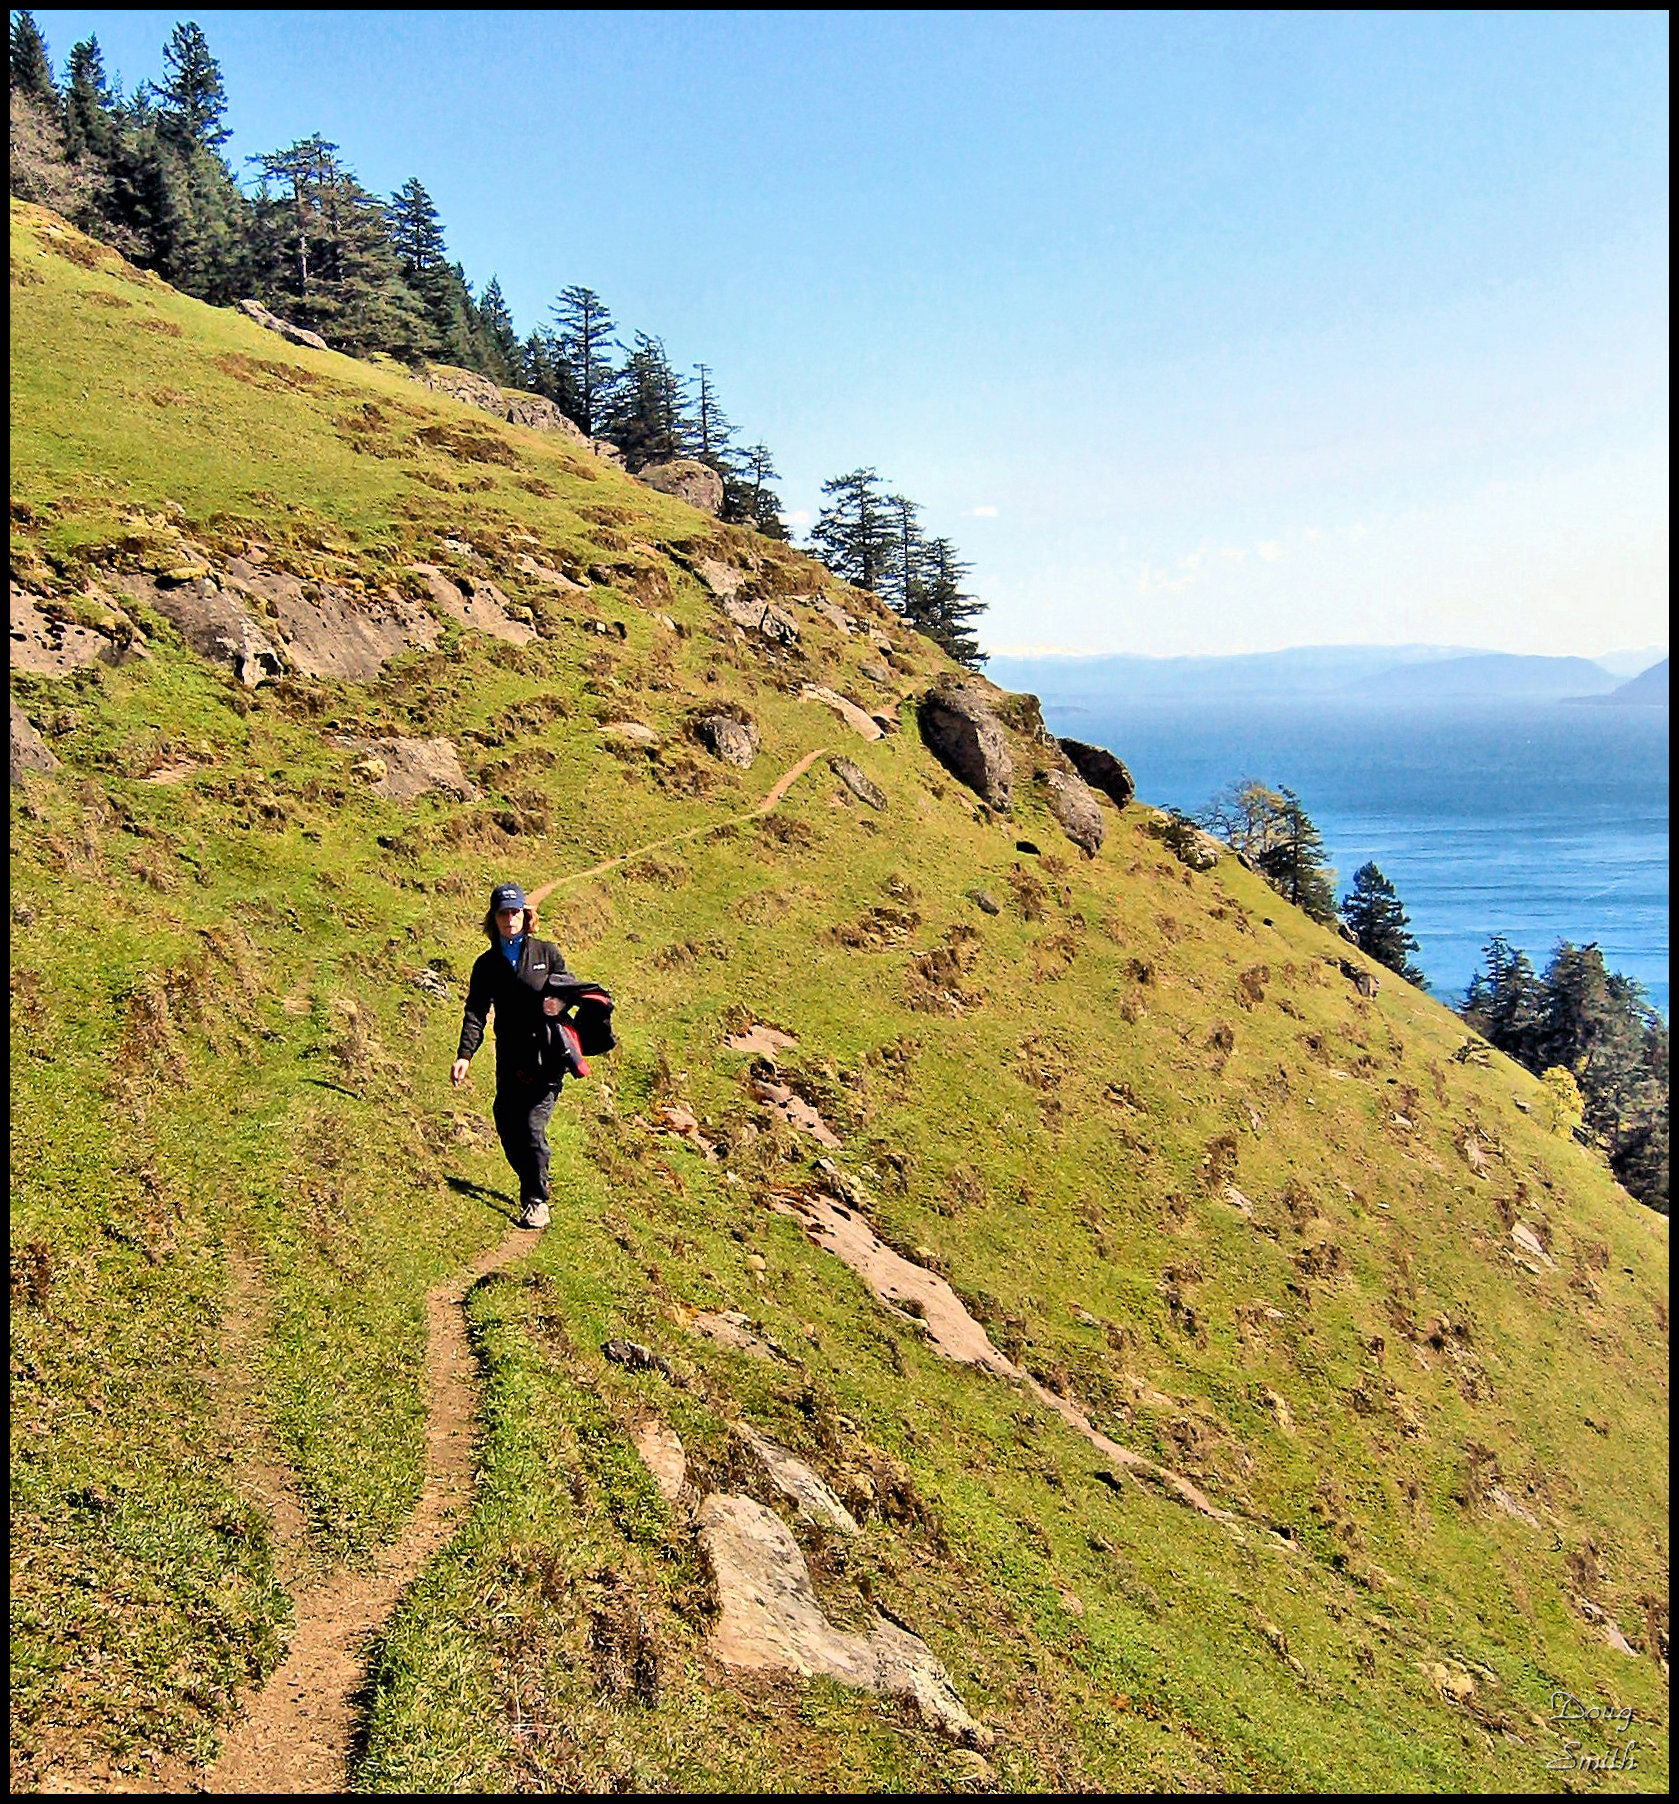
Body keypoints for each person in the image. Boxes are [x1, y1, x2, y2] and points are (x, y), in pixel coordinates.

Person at [452, 881, 575, 1230]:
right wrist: (465, 1054)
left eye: (516, 912)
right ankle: (535, 1175)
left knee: (532, 1127)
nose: (510, 918)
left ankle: (536, 1201)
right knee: (507, 1124)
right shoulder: (487, 965)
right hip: (509, 1058)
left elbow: (570, 991)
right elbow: (476, 1011)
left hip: (547, 1057)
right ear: (494, 918)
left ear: (526, 915)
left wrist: (557, 1003)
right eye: (503, 913)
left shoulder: (547, 954)